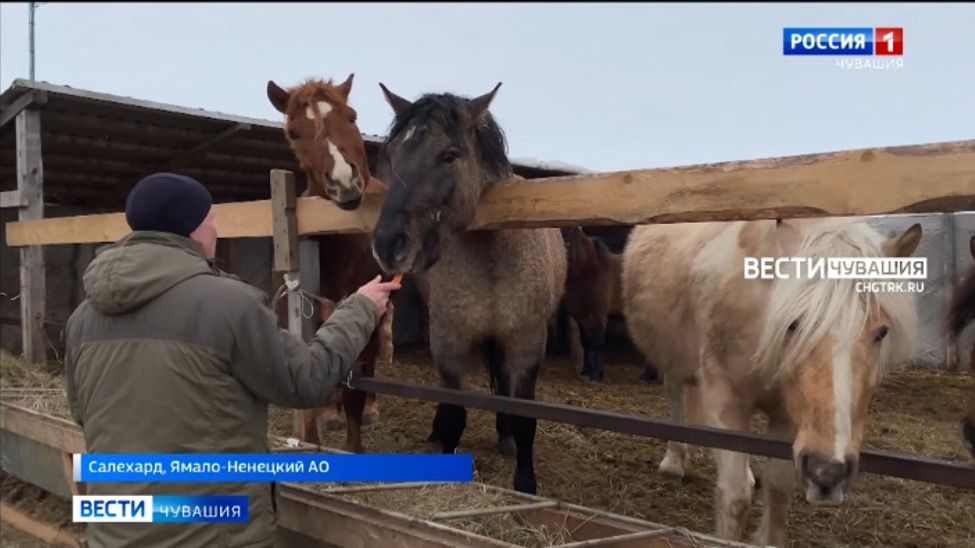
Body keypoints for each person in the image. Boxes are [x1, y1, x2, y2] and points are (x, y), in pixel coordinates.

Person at [64, 172, 400, 548]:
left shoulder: (83, 319)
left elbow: (83, 412)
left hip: (116, 531)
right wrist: (360, 308)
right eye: (211, 219)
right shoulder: (229, 306)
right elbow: (306, 381)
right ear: (192, 229)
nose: (216, 229)